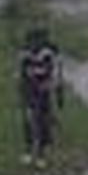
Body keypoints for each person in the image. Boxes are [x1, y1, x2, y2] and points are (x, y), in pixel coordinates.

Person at [19, 27, 63, 167]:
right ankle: (28, 151)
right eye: (31, 41)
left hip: (45, 89)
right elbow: (22, 74)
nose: (34, 44)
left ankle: (41, 154)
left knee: (43, 121)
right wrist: (25, 90)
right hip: (29, 89)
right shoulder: (24, 53)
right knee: (27, 120)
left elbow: (56, 74)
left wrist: (57, 92)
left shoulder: (50, 53)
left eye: (37, 41)